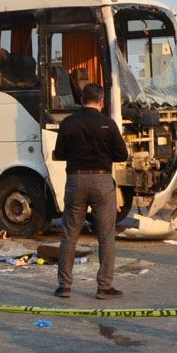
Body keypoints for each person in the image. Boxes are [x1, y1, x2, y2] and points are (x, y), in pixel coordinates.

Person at [52, 82, 128, 300]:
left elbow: (59, 153)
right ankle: (104, 287)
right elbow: (122, 155)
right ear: (101, 101)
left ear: (82, 100)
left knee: (70, 234)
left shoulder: (68, 123)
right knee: (106, 236)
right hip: (102, 180)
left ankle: (64, 286)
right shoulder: (108, 124)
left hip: (75, 180)